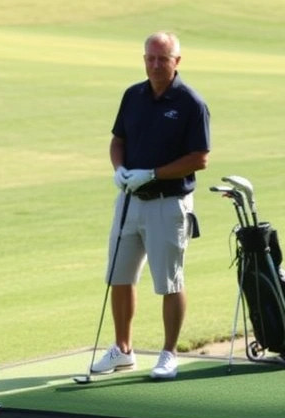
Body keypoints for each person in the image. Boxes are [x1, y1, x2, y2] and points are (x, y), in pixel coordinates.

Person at [89, 32, 211, 381]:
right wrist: (120, 170)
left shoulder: (190, 103)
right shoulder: (133, 95)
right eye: (150, 58)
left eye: (163, 58)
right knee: (119, 276)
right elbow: (118, 140)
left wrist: (153, 174)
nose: (155, 65)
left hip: (168, 203)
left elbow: (199, 159)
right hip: (130, 199)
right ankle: (122, 350)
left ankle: (169, 354)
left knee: (169, 281)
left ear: (177, 61)